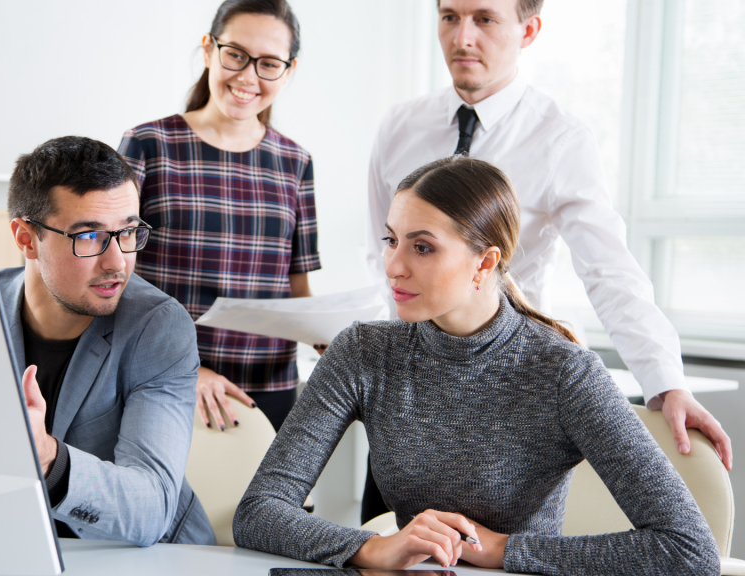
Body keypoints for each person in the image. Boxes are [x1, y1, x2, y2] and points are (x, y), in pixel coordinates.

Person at [233, 157, 721, 575]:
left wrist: (501, 549)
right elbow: (258, 511)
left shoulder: (564, 373)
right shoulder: (362, 353)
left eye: (422, 247)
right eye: (391, 239)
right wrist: (373, 548)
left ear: (485, 264)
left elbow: (687, 550)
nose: (393, 265)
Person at [363, 0, 731, 522]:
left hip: (507, 387)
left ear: (528, 30)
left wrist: (665, 380)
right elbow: (379, 246)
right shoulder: (400, 125)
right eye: (449, 17)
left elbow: (608, 269)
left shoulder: (560, 138)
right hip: (409, 388)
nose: (462, 37)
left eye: (485, 19)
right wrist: (395, 345)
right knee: (388, 534)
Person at [0, 136, 216, 546]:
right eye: (88, 236)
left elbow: (151, 508)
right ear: (25, 238)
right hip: (14, 546)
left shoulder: (158, 326)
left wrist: (49, 459)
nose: (117, 262)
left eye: (127, 232)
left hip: (148, 558)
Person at [118, 0, 320, 433]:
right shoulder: (148, 144)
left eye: (269, 64)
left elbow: (297, 284)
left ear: (289, 71)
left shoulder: (296, 161)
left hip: (268, 391)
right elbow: (115, 274)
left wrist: (327, 335)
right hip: (167, 382)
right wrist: (186, 369)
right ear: (209, 50)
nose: (248, 76)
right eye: (236, 55)